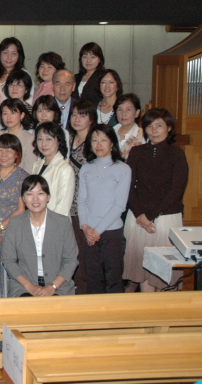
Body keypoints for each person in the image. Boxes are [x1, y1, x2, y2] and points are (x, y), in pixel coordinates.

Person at [123, 108, 188, 292]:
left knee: (165, 270)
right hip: (138, 217)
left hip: (165, 217)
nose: (154, 130)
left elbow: (176, 190)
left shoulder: (177, 154)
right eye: (150, 126)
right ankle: (147, 305)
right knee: (142, 269)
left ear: (169, 128)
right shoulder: (136, 152)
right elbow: (128, 186)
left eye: (159, 126)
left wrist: (150, 216)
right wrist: (140, 215)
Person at [2, 175, 78, 297]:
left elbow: (71, 260)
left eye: (40, 193)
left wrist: (53, 286)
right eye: (29, 194)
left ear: (48, 197)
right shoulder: (15, 223)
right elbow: (8, 260)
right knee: (27, 307)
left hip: (59, 287)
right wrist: (29, 287)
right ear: (23, 199)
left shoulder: (62, 223)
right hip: (24, 287)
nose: (35, 199)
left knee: (55, 307)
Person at [78, 124, 130, 294]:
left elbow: (119, 206)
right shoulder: (86, 168)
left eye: (103, 140)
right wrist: (85, 227)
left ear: (112, 143)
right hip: (89, 232)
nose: (98, 144)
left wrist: (96, 231)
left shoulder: (123, 169)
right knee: (93, 279)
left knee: (113, 279)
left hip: (111, 232)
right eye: (94, 140)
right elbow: (81, 201)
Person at [66, 99, 98, 294]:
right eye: (74, 114)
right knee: (70, 253)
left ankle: (84, 294)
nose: (77, 119)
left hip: (85, 208)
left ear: (91, 118)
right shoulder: (68, 139)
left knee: (84, 256)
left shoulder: (94, 143)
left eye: (82, 115)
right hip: (66, 205)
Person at [0, 134, 29, 256]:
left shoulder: (24, 177)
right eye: (0, 150)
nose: (3, 155)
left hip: (13, 232)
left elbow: (21, 209)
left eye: (8, 150)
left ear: (17, 154)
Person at [30, 122, 74, 217]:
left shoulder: (65, 169)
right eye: (40, 139)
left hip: (55, 222)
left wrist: (49, 224)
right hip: (37, 219)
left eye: (49, 139)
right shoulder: (37, 165)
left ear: (59, 142)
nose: (43, 144)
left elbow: (63, 207)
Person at [0, 98, 36, 173]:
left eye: (13, 113)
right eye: (5, 113)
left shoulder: (30, 139)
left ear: (22, 115)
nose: (8, 117)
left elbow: (29, 169)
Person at [113, 93, 144, 160]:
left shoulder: (143, 136)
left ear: (137, 113)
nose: (123, 114)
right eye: (120, 109)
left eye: (128, 109)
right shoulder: (110, 133)